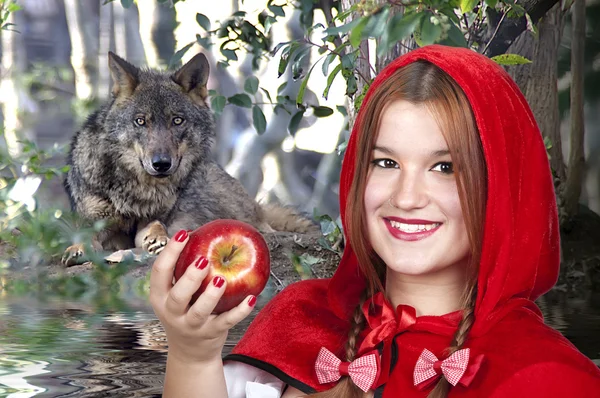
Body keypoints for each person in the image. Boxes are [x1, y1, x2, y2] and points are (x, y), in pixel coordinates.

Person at [149, 45, 600, 397]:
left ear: (502, 185)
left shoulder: (549, 378)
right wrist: (193, 356)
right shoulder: (297, 321)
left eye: (445, 167)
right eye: (385, 163)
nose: (405, 197)